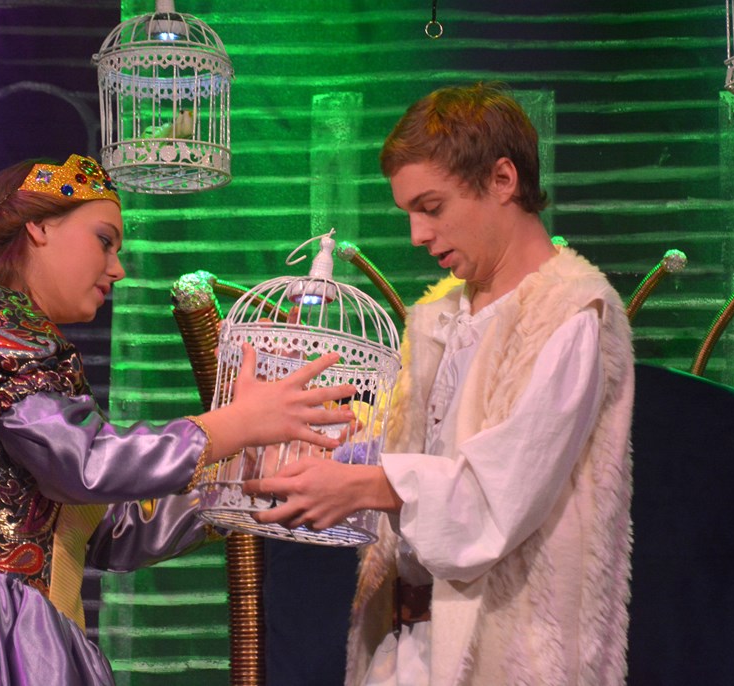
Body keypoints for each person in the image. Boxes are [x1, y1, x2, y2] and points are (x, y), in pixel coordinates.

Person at [0, 154, 356, 686]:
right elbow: (87, 464)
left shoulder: (29, 346)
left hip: (28, 625)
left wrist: (249, 475)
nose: (117, 268)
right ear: (40, 228)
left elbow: (114, 531)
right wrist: (234, 424)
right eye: (104, 241)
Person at [247, 83, 635, 685]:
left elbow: (491, 503)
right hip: (410, 650)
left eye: (431, 207)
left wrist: (365, 485)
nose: (417, 235)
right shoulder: (440, 320)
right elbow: (392, 459)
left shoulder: (570, 315)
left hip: (510, 658)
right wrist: (289, 421)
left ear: (502, 179)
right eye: (409, 213)